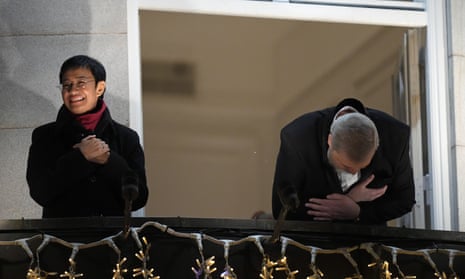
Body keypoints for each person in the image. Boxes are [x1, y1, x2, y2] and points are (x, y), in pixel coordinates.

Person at [26, 55, 149, 218]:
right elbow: (41, 193)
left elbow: (139, 199)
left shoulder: (126, 137)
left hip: (112, 239)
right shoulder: (45, 136)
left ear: (100, 88)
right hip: (60, 239)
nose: (73, 91)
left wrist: (109, 161)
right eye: (66, 85)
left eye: (81, 83)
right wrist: (79, 157)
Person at [272, 98, 415, 225]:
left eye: (363, 166)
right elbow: (282, 210)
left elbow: (405, 201)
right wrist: (347, 200)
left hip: (368, 244)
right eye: (346, 166)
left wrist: (359, 213)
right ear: (330, 141)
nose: (353, 172)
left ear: (377, 146)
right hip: (311, 244)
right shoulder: (298, 139)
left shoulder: (396, 137)